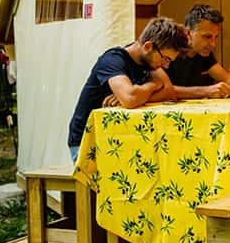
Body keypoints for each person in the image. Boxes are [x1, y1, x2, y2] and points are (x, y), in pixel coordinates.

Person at [67, 17, 188, 162]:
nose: (166, 65)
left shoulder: (147, 60)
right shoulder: (113, 60)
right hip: (88, 143)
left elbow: (168, 90)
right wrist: (152, 86)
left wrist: (138, 95)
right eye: (165, 59)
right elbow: (130, 98)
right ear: (148, 46)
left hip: (117, 141)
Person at [164, 4, 230, 99]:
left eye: (215, 37)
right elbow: (163, 90)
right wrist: (206, 91)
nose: (213, 44)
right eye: (207, 37)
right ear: (188, 33)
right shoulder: (168, 52)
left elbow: (227, 79)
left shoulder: (204, 54)